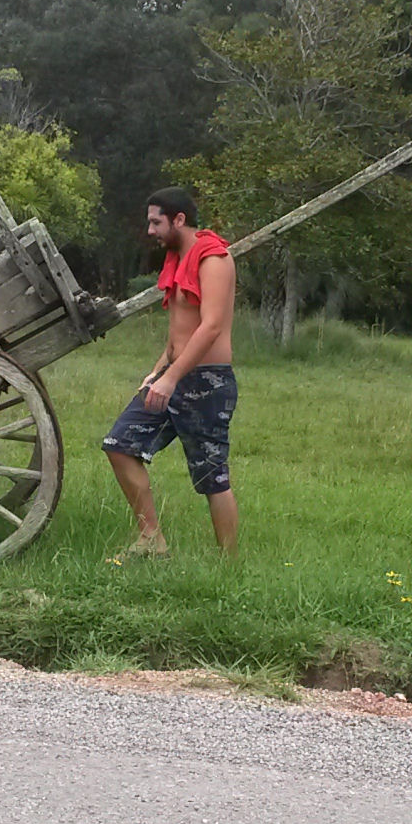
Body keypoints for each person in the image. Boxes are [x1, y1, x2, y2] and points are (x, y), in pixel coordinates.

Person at [102, 187, 238, 557]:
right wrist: (157, 371)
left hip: (206, 383)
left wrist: (172, 377)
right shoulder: (178, 257)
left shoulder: (214, 259)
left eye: (155, 222)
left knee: (212, 476)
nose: (150, 230)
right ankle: (152, 539)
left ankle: (229, 568)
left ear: (179, 219)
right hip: (172, 376)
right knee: (120, 444)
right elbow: (180, 328)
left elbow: (209, 327)